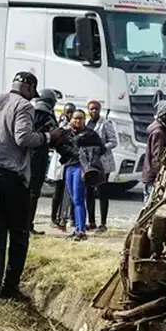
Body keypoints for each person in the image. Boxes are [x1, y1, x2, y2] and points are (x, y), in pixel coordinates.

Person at [0, 71, 65, 299]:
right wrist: (48, 137)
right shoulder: (24, 106)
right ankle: (10, 288)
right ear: (30, 89)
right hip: (10, 178)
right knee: (18, 234)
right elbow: (23, 137)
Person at [55, 109, 106, 240]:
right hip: (69, 166)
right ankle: (77, 228)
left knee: (78, 199)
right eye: (75, 118)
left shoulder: (90, 134)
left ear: (84, 120)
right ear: (71, 119)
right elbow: (58, 146)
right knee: (73, 199)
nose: (78, 121)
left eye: (81, 118)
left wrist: (87, 152)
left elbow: (102, 149)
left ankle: (81, 230)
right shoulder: (67, 133)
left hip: (80, 167)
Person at [28, 89, 60, 235]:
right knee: (34, 193)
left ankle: (21, 224)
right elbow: (56, 136)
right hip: (39, 156)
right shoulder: (48, 116)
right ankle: (28, 225)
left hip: (24, 156)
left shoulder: (29, 112)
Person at [84, 99, 118, 232]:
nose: (94, 111)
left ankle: (103, 223)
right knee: (89, 192)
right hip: (89, 162)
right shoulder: (86, 123)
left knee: (102, 192)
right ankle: (91, 221)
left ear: (100, 110)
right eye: (91, 109)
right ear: (88, 110)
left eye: (96, 109)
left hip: (103, 162)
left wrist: (104, 148)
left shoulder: (105, 123)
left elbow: (113, 141)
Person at [141, 100, 166, 200]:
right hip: (154, 176)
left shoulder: (160, 129)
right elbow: (157, 157)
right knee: (150, 203)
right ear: (160, 115)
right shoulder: (158, 132)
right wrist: (160, 175)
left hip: (151, 175)